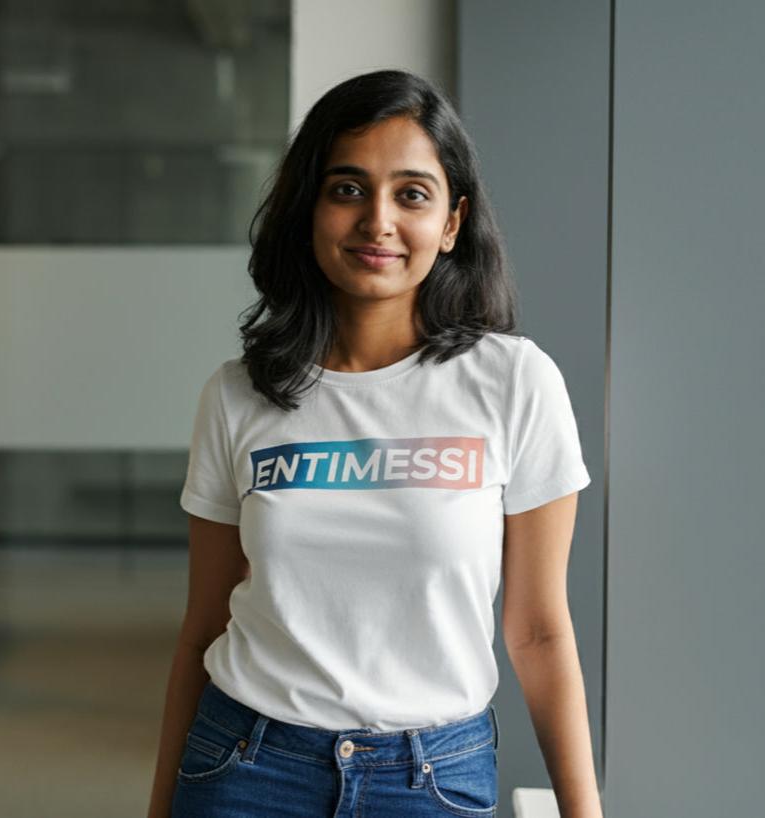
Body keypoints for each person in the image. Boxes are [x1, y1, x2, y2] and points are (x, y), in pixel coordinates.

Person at [147, 69, 602, 818]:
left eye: (411, 194)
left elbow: (538, 632)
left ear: (451, 223)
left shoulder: (514, 383)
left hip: (432, 779)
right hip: (245, 766)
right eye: (347, 189)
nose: (377, 222)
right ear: (309, 210)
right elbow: (203, 626)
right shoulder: (237, 394)